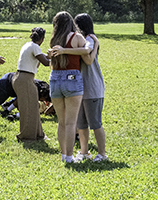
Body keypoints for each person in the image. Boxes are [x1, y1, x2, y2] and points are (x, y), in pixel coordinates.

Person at [46, 11, 87, 164]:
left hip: (55, 78)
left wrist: (60, 51)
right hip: (72, 78)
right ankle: (69, 157)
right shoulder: (76, 37)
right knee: (71, 122)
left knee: (61, 122)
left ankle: (64, 155)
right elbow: (86, 50)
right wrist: (67, 50)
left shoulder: (54, 39)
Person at [73, 13, 107, 161]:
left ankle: (102, 154)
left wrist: (96, 44)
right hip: (80, 88)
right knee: (81, 124)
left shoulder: (90, 39)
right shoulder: (81, 40)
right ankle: (84, 152)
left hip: (92, 88)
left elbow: (88, 60)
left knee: (95, 123)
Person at [12, 27, 50, 142]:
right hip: (25, 79)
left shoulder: (28, 45)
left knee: (33, 106)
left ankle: (39, 134)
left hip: (22, 78)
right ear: (42, 39)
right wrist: (58, 60)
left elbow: (42, 56)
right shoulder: (35, 47)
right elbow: (46, 62)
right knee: (28, 109)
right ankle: (26, 136)